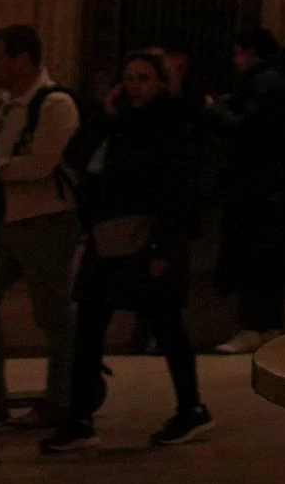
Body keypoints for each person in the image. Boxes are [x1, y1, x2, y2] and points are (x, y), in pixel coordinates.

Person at [41, 50, 213, 452]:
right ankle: (80, 419)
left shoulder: (171, 125)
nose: (135, 85)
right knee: (88, 327)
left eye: (143, 77)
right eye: (129, 77)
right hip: (107, 239)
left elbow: (179, 188)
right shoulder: (116, 126)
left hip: (147, 240)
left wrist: (164, 248)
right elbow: (75, 157)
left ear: (161, 83)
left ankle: (191, 408)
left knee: (167, 325)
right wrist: (104, 114)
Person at [0, 25, 82, 427]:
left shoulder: (56, 103)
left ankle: (61, 398)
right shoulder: (8, 107)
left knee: (54, 313)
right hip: (6, 221)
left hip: (46, 220)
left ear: (22, 59)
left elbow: (42, 163)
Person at [212, 28, 285, 355]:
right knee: (269, 259)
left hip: (254, 186)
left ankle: (252, 326)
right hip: (275, 185)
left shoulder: (262, 83)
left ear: (248, 51)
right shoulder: (279, 82)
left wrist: (216, 112)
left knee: (251, 256)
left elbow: (246, 129)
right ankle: (268, 325)